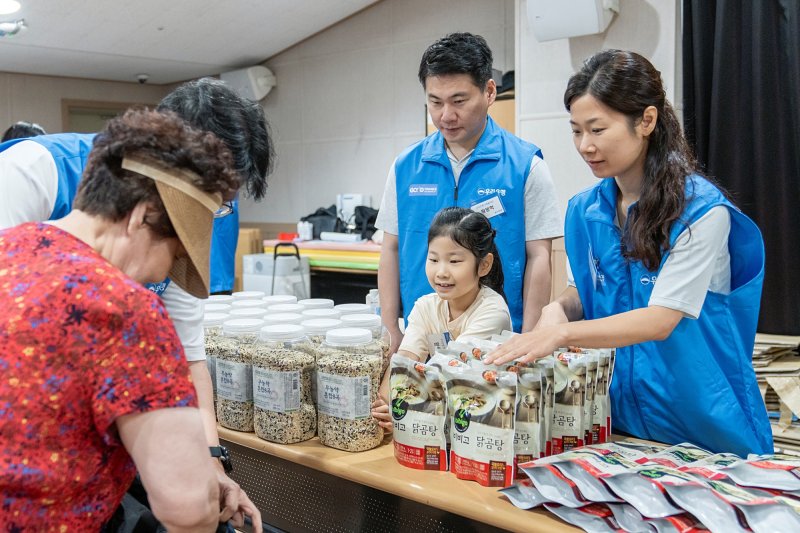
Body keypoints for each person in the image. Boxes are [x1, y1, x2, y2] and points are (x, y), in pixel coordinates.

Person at [0, 77, 273, 526]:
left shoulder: (21, 244)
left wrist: (209, 458)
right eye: (173, 254)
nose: (165, 276)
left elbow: (189, 356)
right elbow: (186, 508)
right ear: (143, 214)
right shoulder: (122, 303)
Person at [487, 50, 772, 457]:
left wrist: (561, 334)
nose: (585, 146)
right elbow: (585, 291)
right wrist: (559, 310)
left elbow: (660, 319)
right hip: (617, 420)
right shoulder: (585, 210)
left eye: (598, 129)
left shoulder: (701, 212)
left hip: (704, 425)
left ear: (647, 121)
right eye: (576, 131)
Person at [375, 32, 561, 356]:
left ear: (489, 92)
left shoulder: (525, 166)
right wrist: (391, 327)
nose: (446, 115)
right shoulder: (406, 167)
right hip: (421, 339)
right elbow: (390, 249)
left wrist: (528, 337)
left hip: (497, 340)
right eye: (435, 102)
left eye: (458, 101)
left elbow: (539, 257)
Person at [372, 207, 512, 430]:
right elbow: (405, 361)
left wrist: (403, 410)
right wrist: (385, 404)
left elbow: (449, 371)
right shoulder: (426, 306)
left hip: (482, 425)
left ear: (484, 265)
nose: (441, 272)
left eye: (454, 261)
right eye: (434, 259)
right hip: (434, 417)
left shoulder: (493, 312)